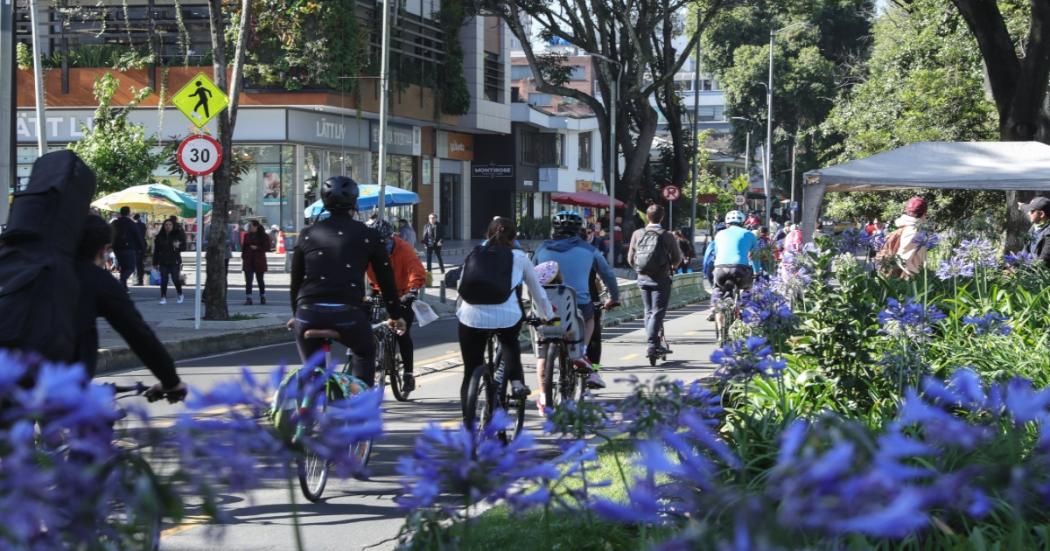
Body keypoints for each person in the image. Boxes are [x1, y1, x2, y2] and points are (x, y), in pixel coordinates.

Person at [290, 176, 406, 386]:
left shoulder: (307, 234)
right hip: (348, 313)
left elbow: (296, 279)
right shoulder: (368, 235)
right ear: (355, 203)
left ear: (324, 202)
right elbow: (386, 280)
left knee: (312, 370)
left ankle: (310, 401)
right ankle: (359, 406)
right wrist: (395, 314)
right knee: (364, 351)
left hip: (308, 313)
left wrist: (295, 314)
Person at [74, 214, 186, 399]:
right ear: (104, 249)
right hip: (59, 379)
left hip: (12, 370)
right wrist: (171, 382)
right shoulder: (96, 280)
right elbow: (137, 333)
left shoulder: (38, 269)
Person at [458, 217, 553, 420]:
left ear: (487, 234)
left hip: (470, 316)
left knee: (470, 370)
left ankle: (468, 422)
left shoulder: (475, 253)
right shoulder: (520, 257)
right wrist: (549, 316)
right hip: (506, 316)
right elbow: (537, 292)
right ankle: (517, 382)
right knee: (509, 342)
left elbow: (461, 285)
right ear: (514, 237)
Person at [533, 211, 620, 396]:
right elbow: (608, 275)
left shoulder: (542, 249)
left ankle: (543, 394)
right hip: (579, 305)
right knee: (590, 322)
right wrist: (614, 297)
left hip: (548, 306)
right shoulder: (589, 250)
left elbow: (531, 274)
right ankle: (582, 352)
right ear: (579, 230)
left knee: (544, 343)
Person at [366, 218, 426, 394]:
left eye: (383, 242)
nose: (379, 246)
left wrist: (412, 291)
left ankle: (408, 374)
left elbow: (416, 270)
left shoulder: (404, 248)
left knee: (402, 333)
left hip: (402, 292)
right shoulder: (368, 249)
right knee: (365, 324)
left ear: (391, 237)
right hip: (379, 289)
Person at [628, 205, 683, 360]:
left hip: (642, 278)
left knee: (648, 310)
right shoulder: (667, 235)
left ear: (647, 216)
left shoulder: (637, 234)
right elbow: (677, 258)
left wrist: (640, 269)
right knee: (657, 311)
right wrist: (671, 267)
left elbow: (630, 258)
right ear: (662, 218)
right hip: (661, 278)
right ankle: (652, 344)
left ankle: (654, 342)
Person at [877, 196, 929, 279]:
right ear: (924, 213)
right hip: (909, 279)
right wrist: (918, 277)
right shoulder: (914, 231)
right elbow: (902, 260)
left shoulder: (907, 226)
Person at [711, 210, 758, 295]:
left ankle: (715, 303)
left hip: (720, 271)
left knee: (717, 288)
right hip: (740, 270)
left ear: (726, 223)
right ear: (743, 223)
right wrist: (757, 272)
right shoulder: (750, 234)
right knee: (748, 288)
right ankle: (746, 303)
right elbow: (755, 257)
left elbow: (716, 254)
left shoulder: (719, 234)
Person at [110, 206, 145, 290]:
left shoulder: (115, 222)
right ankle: (121, 281)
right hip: (129, 247)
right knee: (130, 267)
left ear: (120, 212)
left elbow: (110, 233)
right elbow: (137, 235)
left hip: (117, 248)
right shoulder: (131, 223)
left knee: (123, 267)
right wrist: (142, 247)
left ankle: (124, 287)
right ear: (128, 213)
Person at [153, 219, 185, 305]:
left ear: (173, 226)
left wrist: (178, 246)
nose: (168, 226)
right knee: (164, 280)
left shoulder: (177, 235)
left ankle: (180, 294)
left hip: (174, 260)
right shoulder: (160, 236)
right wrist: (155, 262)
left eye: (170, 224)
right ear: (164, 226)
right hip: (163, 261)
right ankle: (163, 297)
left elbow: (184, 247)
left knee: (175, 279)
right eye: (166, 224)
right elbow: (156, 250)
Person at [241, 220, 271, 305]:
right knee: (248, 280)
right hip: (248, 260)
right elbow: (244, 247)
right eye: (249, 226)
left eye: (251, 226)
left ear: (256, 226)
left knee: (260, 279)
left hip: (259, 260)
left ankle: (262, 296)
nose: (249, 227)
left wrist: (257, 247)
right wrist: (243, 257)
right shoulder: (247, 235)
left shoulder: (264, 236)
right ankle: (249, 298)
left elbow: (267, 247)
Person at [1020, 197, 1050, 268]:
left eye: (1032, 211)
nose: (1028, 213)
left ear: (1041, 214)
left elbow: (1043, 261)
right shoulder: (1034, 227)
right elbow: (1025, 252)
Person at [132, 213, 147, 286]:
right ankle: (140, 280)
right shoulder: (143, 225)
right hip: (142, 246)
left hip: (136, 246)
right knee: (140, 264)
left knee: (137, 264)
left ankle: (138, 280)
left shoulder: (134, 225)